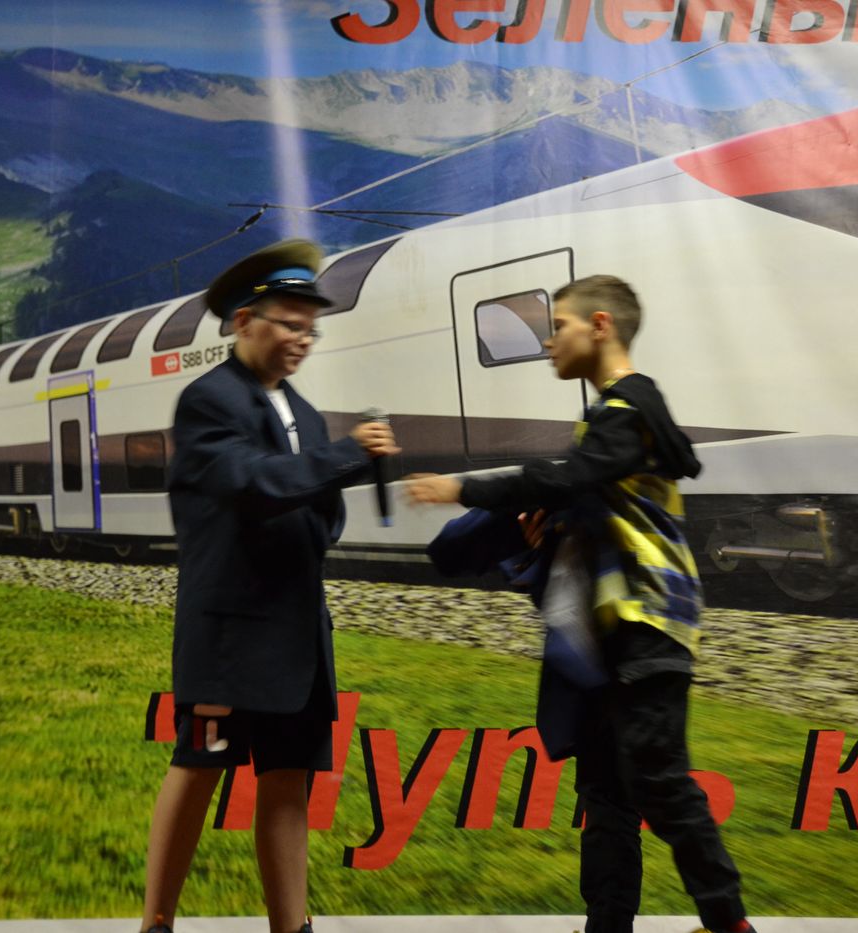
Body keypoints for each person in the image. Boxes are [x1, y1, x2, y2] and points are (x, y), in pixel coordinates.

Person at [406, 275, 756, 933]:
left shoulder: (631, 407)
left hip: (646, 623)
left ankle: (729, 923)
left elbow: (572, 476)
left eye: (558, 325)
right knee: (606, 790)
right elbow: (593, 500)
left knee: (658, 780)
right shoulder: (610, 418)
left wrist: (463, 488)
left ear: (600, 326)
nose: (548, 340)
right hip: (608, 632)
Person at [141, 239, 398, 933]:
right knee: (199, 767)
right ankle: (157, 923)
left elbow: (322, 512)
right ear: (242, 321)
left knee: (288, 779)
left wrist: (331, 475)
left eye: (310, 329)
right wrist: (347, 455)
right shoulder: (207, 400)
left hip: (296, 633)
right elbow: (250, 484)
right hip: (230, 636)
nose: (302, 340)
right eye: (289, 324)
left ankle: (292, 927)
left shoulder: (306, 415)